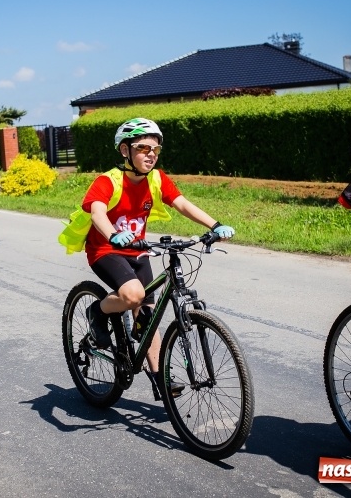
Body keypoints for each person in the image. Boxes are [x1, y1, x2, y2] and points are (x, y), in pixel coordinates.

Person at [58, 118, 235, 396]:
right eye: (142, 148)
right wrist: (113, 234)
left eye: (155, 149)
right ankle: (97, 311)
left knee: (147, 315)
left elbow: (181, 203)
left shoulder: (156, 179)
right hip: (106, 249)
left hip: (138, 251)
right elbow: (97, 213)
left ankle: (159, 378)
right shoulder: (108, 180)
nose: (150, 153)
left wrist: (214, 225)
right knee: (132, 296)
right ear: (125, 151)